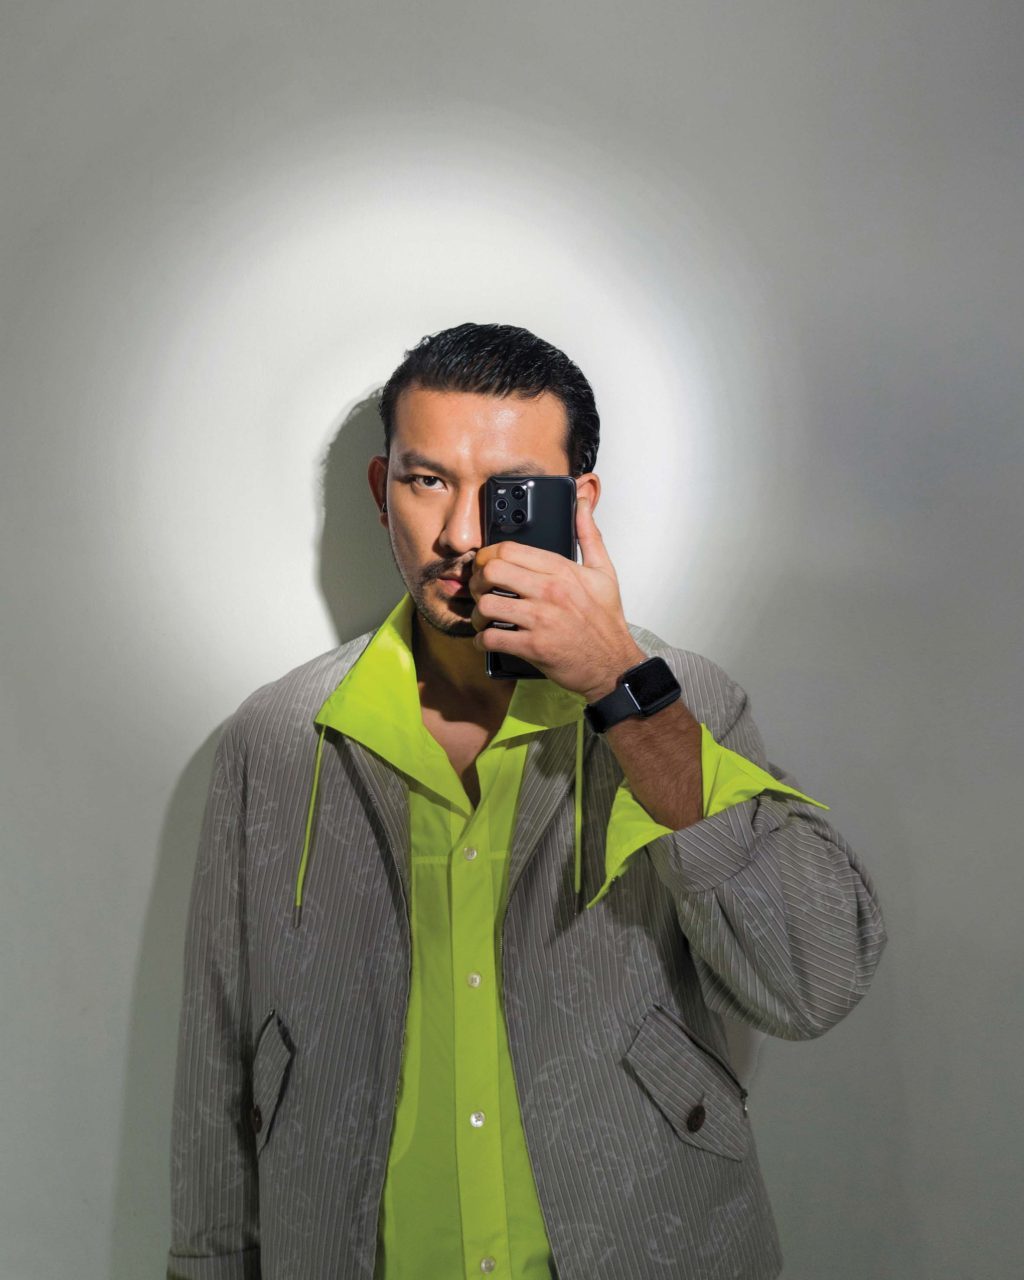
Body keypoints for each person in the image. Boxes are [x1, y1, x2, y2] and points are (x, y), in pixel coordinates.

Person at [167, 322, 887, 1280]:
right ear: (382, 491)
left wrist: (625, 691)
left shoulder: (686, 703)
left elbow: (812, 981)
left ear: (578, 505)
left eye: (508, 492)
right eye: (428, 481)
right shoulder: (279, 735)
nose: (462, 535)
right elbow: (219, 1045)